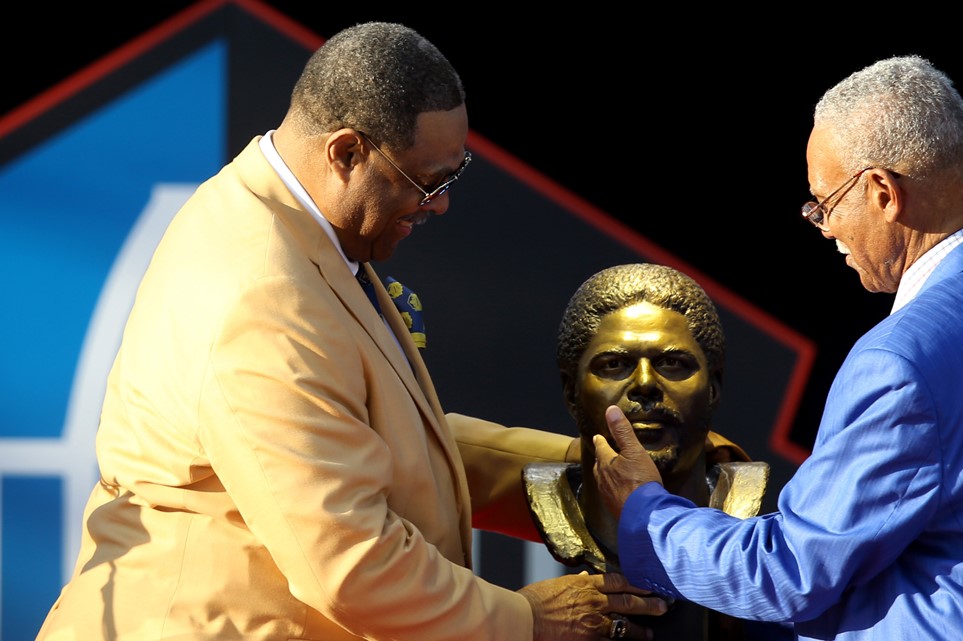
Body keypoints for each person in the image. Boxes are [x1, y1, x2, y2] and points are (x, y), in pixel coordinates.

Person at [34, 22, 667, 641]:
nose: (440, 204)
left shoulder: (291, 228)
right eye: (428, 181)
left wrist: (587, 464)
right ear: (346, 152)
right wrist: (528, 621)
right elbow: (348, 561)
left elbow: (378, 444)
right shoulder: (264, 291)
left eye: (456, 174)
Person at [591, 55, 963, 641]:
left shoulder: (902, 362)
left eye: (823, 203)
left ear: (882, 191)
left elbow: (788, 572)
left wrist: (646, 509)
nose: (823, 226)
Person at [522, 262, 777, 641]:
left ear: (714, 388)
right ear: (571, 391)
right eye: (614, 365)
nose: (644, 385)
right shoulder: (534, 495)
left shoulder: (757, 533)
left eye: (673, 364)